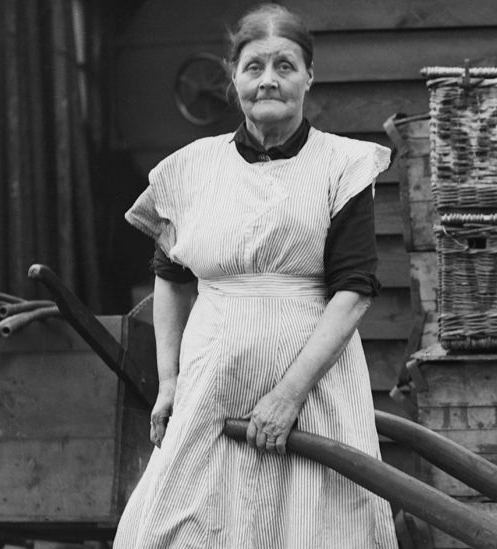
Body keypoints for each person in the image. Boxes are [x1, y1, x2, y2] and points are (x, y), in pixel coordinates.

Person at [115, 4, 397, 547]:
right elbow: (172, 277)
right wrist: (169, 379)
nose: (269, 80)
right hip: (210, 383)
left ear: (309, 76)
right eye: (254, 67)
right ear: (234, 76)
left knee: (319, 526)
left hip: (314, 391)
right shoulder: (192, 166)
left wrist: (289, 395)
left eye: (285, 66)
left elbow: (353, 293)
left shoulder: (344, 164)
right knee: (169, 526)